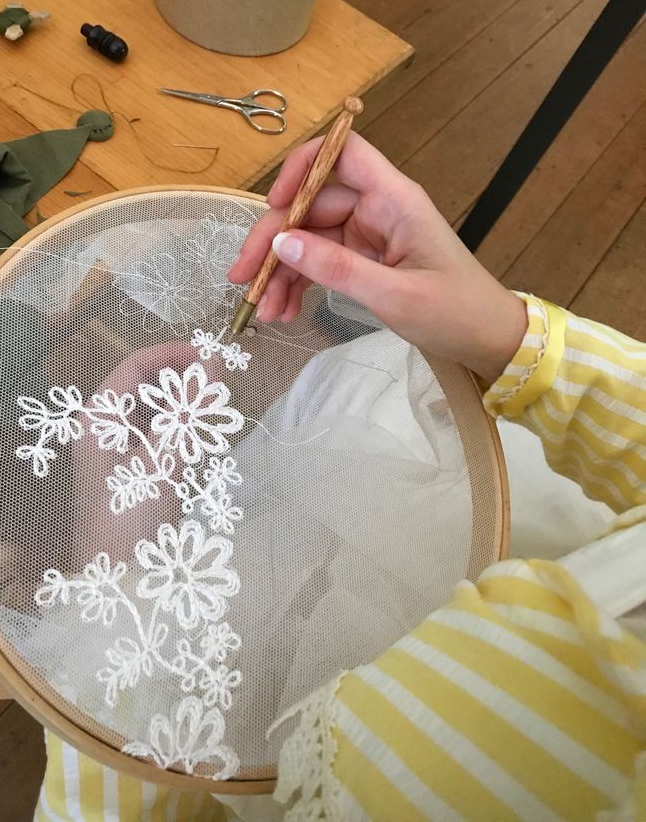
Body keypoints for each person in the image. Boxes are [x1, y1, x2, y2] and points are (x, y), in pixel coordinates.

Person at [36, 134, 646, 821]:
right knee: (344, 391)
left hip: (285, 751)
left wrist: (119, 583)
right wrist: (506, 334)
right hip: (530, 533)